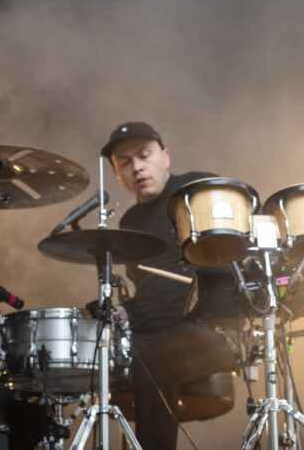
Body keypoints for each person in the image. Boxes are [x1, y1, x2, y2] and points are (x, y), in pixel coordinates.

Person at [101, 121, 237, 450]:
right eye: (124, 162)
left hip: (208, 330)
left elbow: (234, 255)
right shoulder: (130, 223)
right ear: (117, 175)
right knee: (94, 357)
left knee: (151, 359)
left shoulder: (197, 189)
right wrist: (124, 311)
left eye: (144, 155)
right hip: (151, 331)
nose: (136, 167)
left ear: (165, 157)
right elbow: (148, 293)